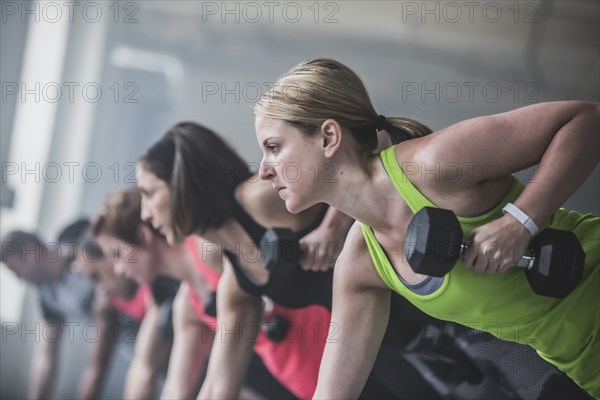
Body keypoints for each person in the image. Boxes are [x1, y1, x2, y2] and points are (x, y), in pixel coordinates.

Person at [253, 57, 600, 398]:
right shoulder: (361, 264)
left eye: (273, 147)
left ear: (329, 137)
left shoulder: (430, 165)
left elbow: (584, 120)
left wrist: (520, 222)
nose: (263, 171)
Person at [91, 188, 298, 399]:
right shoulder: (187, 304)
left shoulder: (209, 248)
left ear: (143, 235)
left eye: (117, 254)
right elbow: (177, 390)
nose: (118, 268)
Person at [0, 220, 143, 399]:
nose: (19, 280)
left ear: (29, 252)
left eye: (16, 271)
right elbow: (46, 359)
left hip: (150, 297)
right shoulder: (48, 299)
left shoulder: (74, 234)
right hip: (136, 341)